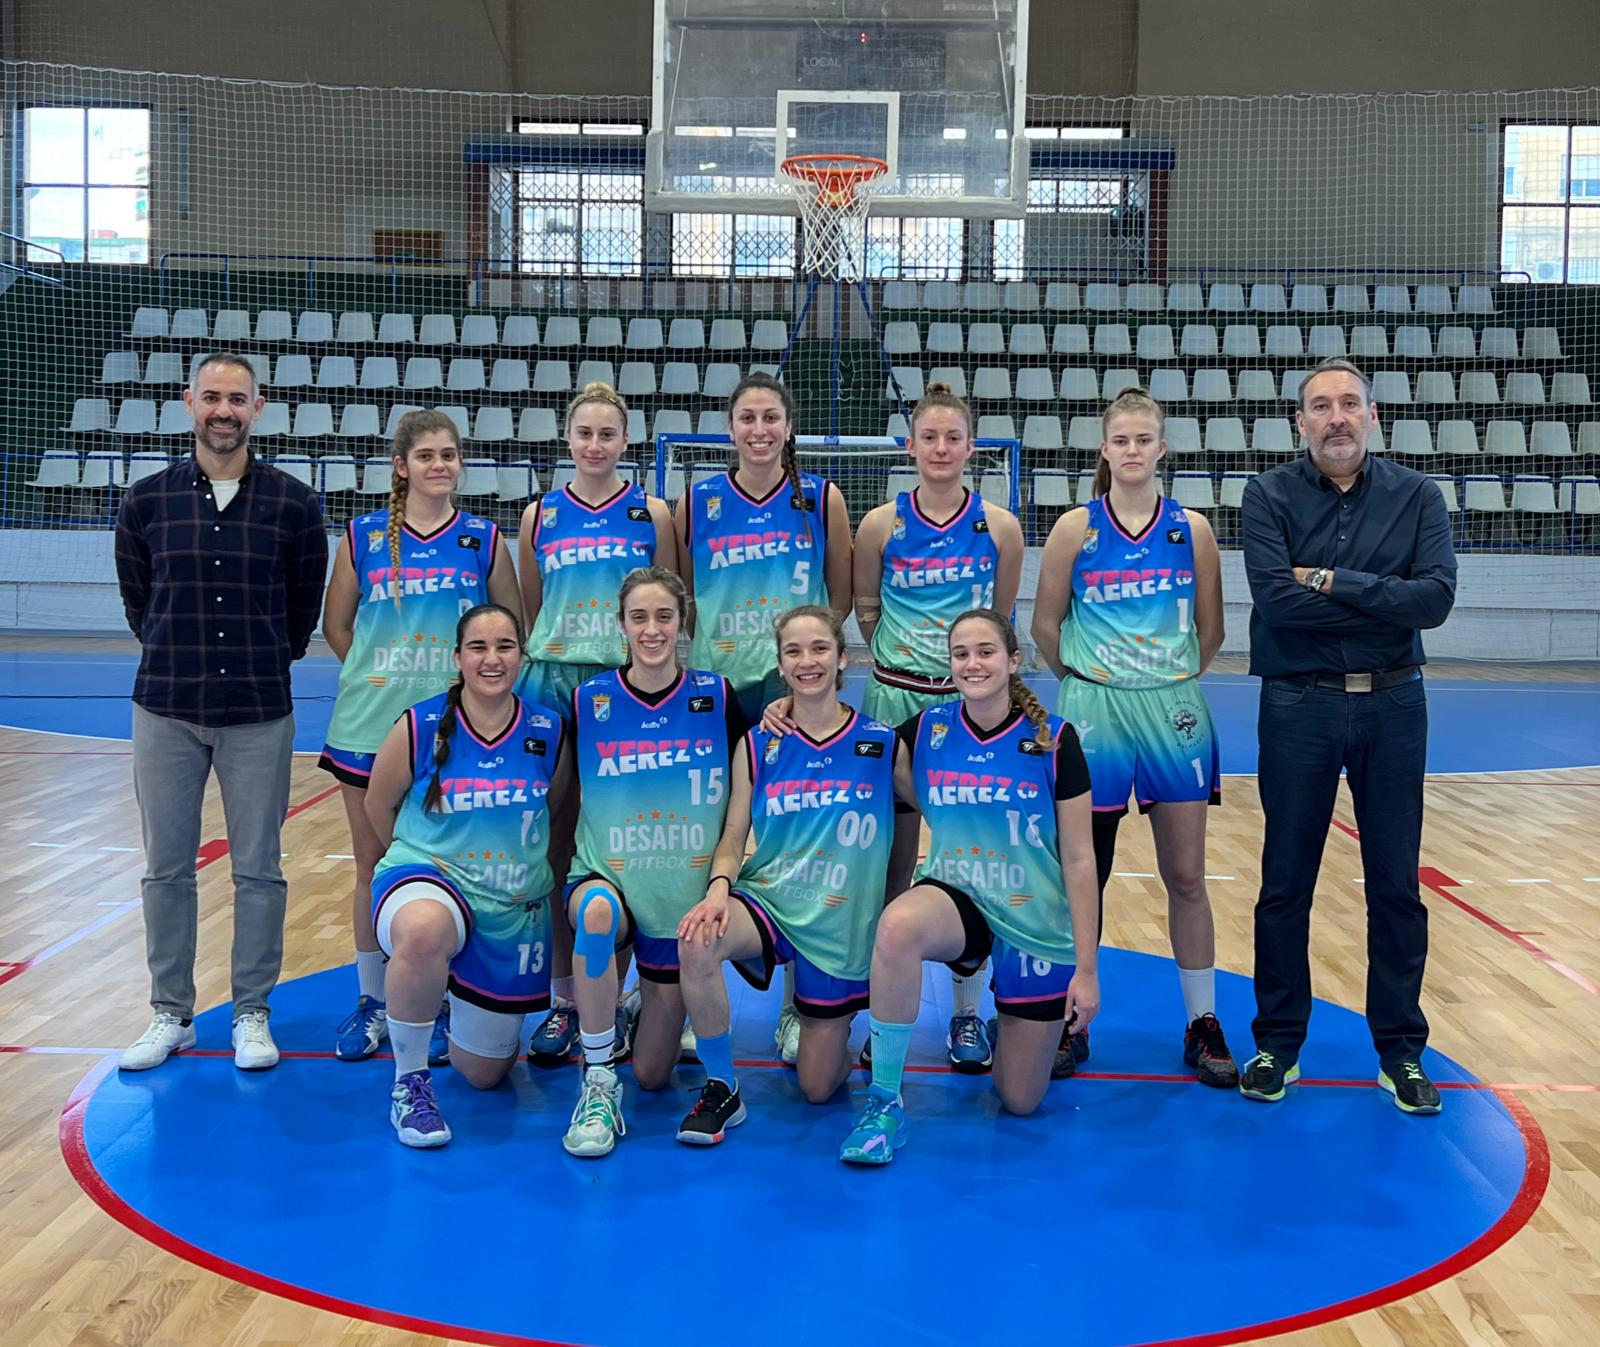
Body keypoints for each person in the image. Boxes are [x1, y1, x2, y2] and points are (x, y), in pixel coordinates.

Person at [1239, 358, 1456, 1114]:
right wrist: (1379, 601)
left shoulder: (1419, 495)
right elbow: (1275, 600)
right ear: (1300, 421)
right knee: (1284, 882)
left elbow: (1433, 601)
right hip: (1300, 704)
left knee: (1396, 884)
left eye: (1349, 404)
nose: (1336, 417)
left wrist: (1330, 580)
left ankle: (1401, 1051)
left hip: (1395, 706)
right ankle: (1277, 1044)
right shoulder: (1266, 493)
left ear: (1372, 414)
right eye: (1320, 406)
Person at [113, 352, 328, 1072]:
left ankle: (250, 1011)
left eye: (237, 398)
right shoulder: (145, 501)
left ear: (258, 408)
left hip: (259, 709)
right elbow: (141, 604)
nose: (224, 410)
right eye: (212, 397)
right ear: (189, 403)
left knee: (259, 870)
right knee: (165, 869)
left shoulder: (295, 504)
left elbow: (301, 613)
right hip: (167, 706)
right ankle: (170, 1012)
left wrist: (264, 658)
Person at [839, 610, 1100, 1166]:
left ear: (1013, 660)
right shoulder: (927, 729)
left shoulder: (1054, 739)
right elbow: (842, 738)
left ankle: (1013, 1017)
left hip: (1034, 918)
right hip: (960, 900)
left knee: (1020, 1099)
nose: (972, 663)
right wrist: (785, 707)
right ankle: (884, 1101)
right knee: (897, 927)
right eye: (960, 654)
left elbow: (1080, 859)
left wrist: (1086, 969)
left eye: (985, 652)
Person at [1031, 387, 1237, 1088]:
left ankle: (1202, 1022)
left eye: (1143, 439)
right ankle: (1070, 1018)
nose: (1132, 451)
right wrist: (1092, 682)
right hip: (1095, 710)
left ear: (1162, 448)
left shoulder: (1194, 529)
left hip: (1172, 709)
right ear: (1104, 448)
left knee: (1186, 874)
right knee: (1084, 871)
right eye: (1120, 440)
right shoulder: (1073, 529)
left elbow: (1211, 634)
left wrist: (1163, 676)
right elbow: (1044, 629)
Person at [320, 410, 519, 1065]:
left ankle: (441, 1002)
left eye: (450, 455)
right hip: (369, 727)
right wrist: (382, 675)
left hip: (457, 734)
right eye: (427, 455)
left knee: (451, 868)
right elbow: (338, 626)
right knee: (373, 868)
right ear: (401, 466)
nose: (440, 465)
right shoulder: (364, 535)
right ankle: (376, 1001)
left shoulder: (484, 539)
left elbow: (507, 626)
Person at [674, 606, 902, 1144]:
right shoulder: (758, 744)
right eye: (794, 651)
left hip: (839, 924)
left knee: (819, 1087)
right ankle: (721, 1086)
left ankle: (831, 1023)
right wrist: (717, 891)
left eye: (820, 648)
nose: (808, 661)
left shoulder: (883, 743)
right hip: (772, 900)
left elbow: (942, 803)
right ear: (780, 664)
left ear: (844, 657)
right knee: (697, 940)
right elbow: (733, 835)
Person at [676, 371, 852, 1064]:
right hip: (720, 695)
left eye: (771, 417)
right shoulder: (697, 503)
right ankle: (693, 991)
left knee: (797, 842)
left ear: (788, 426)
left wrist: (803, 682)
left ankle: (794, 1006)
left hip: (794, 696)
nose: (759, 429)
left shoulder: (822, 498)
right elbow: (681, 597)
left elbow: (834, 603)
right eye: (746, 418)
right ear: (730, 428)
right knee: (706, 838)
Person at [850, 379, 1025, 1072]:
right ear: (910, 446)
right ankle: (877, 1018)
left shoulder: (1000, 527)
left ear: (971, 447)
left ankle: (966, 1014)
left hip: (965, 711)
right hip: (893, 700)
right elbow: (866, 608)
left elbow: (998, 620)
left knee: (967, 858)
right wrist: (906, 662)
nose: (942, 448)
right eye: (930, 437)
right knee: (886, 862)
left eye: (954, 437)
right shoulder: (878, 525)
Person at [364, 604, 568, 1147]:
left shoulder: (548, 730)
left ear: (522, 656)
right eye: (478, 647)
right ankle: (409, 1082)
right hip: (429, 877)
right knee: (424, 929)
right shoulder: (420, 724)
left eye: (505, 646)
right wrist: (416, 869)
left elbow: (561, 809)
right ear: (457, 658)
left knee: (484, 1074)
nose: (492, 658)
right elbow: (379, 806)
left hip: (507, 906)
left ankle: (444, 988)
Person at [516, 382, 677, 1069]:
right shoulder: (539, 513)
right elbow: (532, 605)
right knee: (556, 844)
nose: (594, 444)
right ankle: (562, 997)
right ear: (568, 437)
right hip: (554, 679)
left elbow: (669, 600)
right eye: (583, 432)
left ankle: (646, 991)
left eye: (606, 434)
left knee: (643, 839)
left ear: (626, 440)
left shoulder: (652, 511)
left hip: (627, 687)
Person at [561, 567, 746, 1157]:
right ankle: (596, 1079)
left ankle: (640, 1005)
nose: (652, 628)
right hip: (608, 879)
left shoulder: (716, 697)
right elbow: (561, 796)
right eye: (638, 617)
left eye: (663, 616)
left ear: (682, 623)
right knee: (593, 921)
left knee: (655, 1075)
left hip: (679, 896)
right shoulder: (588, 701)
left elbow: (749, 787)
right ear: (621, 625)